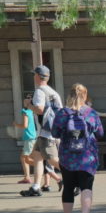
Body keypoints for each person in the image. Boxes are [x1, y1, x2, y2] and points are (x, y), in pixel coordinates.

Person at [51, 83, 103, 213]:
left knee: (68, 187)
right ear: (84, 95)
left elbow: (54, 133)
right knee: (87, 187)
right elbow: (100, 133)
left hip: (67, 157)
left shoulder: (62, 113)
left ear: (70, 95)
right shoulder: (91, 113)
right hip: (87, 157)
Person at [20, 65, 63, 197]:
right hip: (50, 131)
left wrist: (28, 104)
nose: (33, 76)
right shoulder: (53, 92)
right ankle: (36, 187)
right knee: (38, 158)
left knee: (52, 160)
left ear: (38, 76)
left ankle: (75, 180)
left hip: (46, 133)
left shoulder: (39, 91)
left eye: (34, 74)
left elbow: (39, 109)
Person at [13, 95, 37, 184]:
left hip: (29, 138)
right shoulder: (32, 110)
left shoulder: (25, 111)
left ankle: (44, 168)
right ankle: (27, 176)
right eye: (26, 96)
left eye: (28, 97)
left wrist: (16, 125)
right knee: (26, 158)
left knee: (25, 158)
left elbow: (25, 125)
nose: (25, 98)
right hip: (32, 137)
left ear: (30, 101)